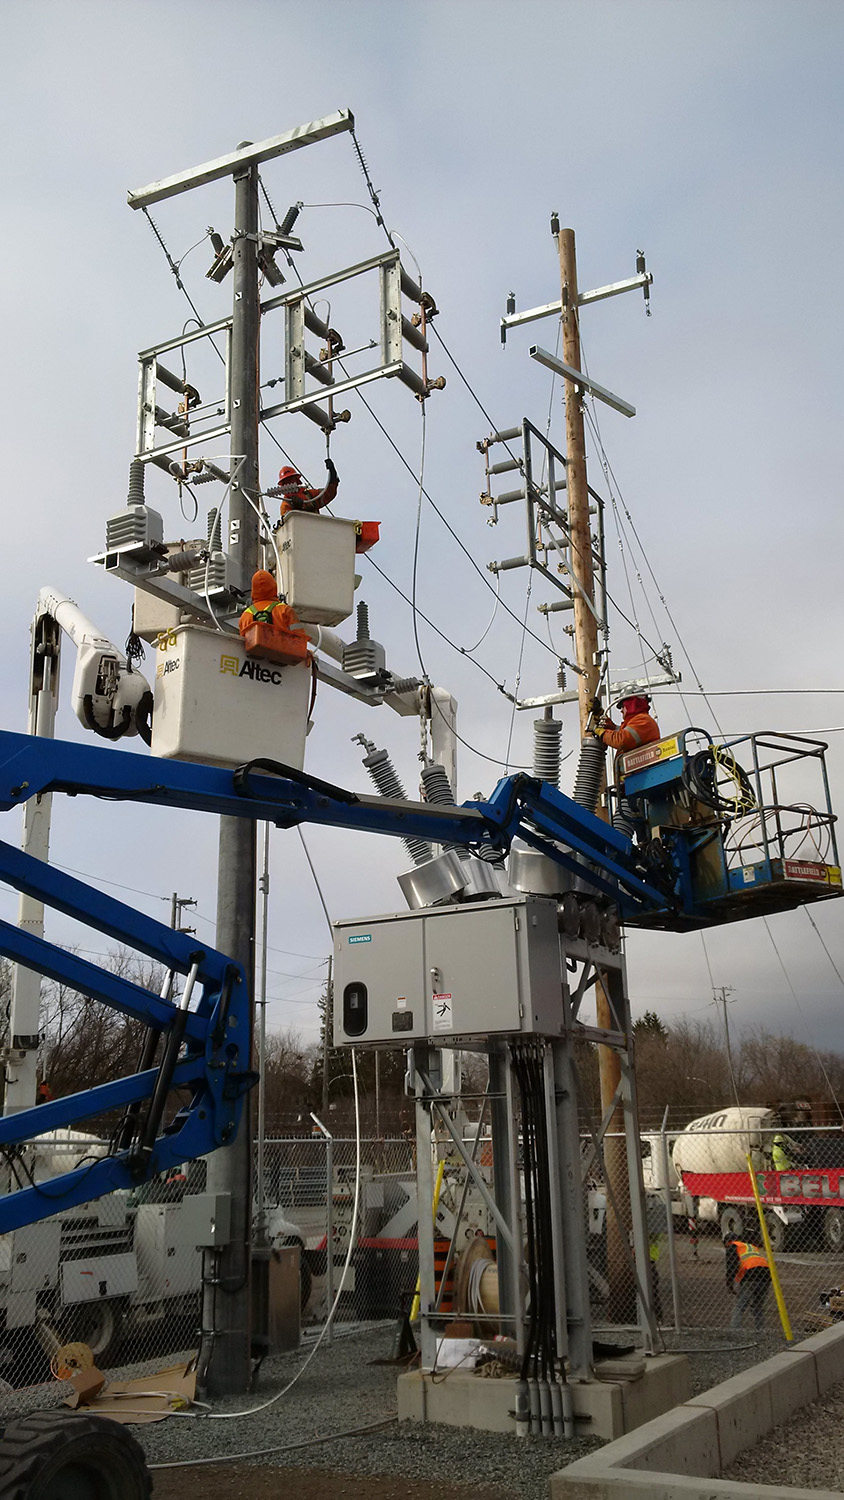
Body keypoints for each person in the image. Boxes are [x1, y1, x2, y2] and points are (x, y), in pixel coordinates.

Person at [724, 1234, 771, 1331]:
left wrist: (730, 1284)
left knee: (740, 1305)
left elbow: (731, 1267)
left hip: (750, 1274)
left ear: (727, 1242)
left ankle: (735, 1330)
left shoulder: (733, 1246)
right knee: (758, 1306)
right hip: (766, 1275)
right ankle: (761, 1330)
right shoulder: (750, 1246)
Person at [595, 693, 661, 754]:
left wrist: (602, 733)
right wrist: (612, 727)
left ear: (631, 703)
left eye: (622, 706)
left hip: (644, 765)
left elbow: (622, 740)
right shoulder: (637, 721)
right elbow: (626, 734)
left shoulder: (643, 720)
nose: (621, 710)